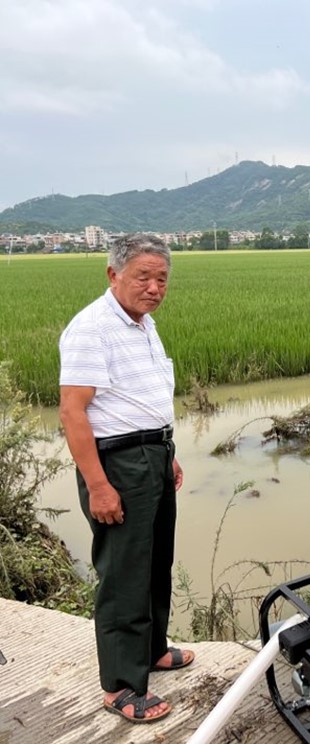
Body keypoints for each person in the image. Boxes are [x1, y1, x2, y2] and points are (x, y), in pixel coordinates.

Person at [59, 233, 193, 724]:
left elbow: (140, 400)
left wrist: (166, 453)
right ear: (113, 275)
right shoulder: (91, 328)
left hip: (152, 454)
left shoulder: (144, 326)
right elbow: (73, 413)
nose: (154, 287)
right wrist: (98, 485)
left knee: (156, 561)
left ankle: (152, 649)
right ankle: (119, 684)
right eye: (143, 277)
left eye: (162, 279)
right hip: (117, 465)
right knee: (123, 573)